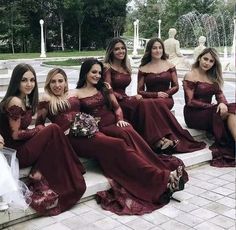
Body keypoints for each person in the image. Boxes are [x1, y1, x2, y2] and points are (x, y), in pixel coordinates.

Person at [35, 66, 188, 215]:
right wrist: (61, 131)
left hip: (91, 132)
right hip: (73, 140)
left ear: (65, 82)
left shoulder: (73, 94)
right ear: (48, 84)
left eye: (60, 81)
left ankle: (162, 179)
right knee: (118, 144)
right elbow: (40, 126)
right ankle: (164, 178)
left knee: (119, 145)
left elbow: (91, 103)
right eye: (53, 82)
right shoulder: (46, 100)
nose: (57, 85)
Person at [0, 63, 86, 215]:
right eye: (24, 80)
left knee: (53, 133)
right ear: (16, 81)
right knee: (52, 129)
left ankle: (42, 170)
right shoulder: (15, 101)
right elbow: (15, 135)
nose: (29, 84)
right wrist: (37, 130)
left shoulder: (22, 99)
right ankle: (74, 168)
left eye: (32, 80)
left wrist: (36, 131)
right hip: (17, 153)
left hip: (22, 146)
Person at [104, 37, 206, 154]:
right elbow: (109, 90)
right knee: (147, 104)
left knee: (147, 104)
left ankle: (164, 138)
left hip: (135, 99)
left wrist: (166, 94)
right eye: (117, 49)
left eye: (122, 48)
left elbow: (176, 86)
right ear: (111, 51)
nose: (121, 51)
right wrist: (131, 97)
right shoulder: (107, 68)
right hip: (115, 100)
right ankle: (161, 139)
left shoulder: (125, 67)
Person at [183, 48, 236, 167]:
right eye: (205, 59)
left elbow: (221, 97)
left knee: (233, 108)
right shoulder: (190, 75)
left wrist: (222, 103)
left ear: (214, 64)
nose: (207, 63)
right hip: (193, 114)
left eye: (211, 61)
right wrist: (213, 106)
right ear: (199, 58)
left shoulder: (213, 78)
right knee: (224, 110)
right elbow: (190, 102)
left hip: (209, 112)